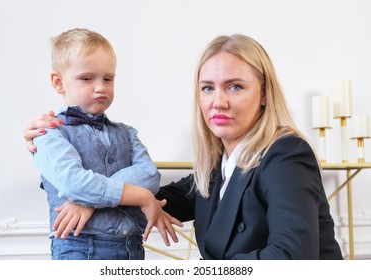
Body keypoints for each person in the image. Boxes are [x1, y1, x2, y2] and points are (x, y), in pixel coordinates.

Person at [25, 34, 343, 260]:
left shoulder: (285, 154)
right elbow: (151, 200)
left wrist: (92, 195)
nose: (218, 101)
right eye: (208, 88)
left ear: (263, 94)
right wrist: (73, 179)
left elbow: (290, 259)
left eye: (235, 86)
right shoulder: (218, 167)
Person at [30, 28, 180, 260]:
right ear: (59, 82)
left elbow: (149, 175)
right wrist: (139, 196)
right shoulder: (47, 133)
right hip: (79, 247)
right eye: (87, 78)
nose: (100, 87)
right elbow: (74, 184)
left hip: (131, 246)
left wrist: (90, 203)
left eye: (108, 79)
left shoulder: (127, 133)